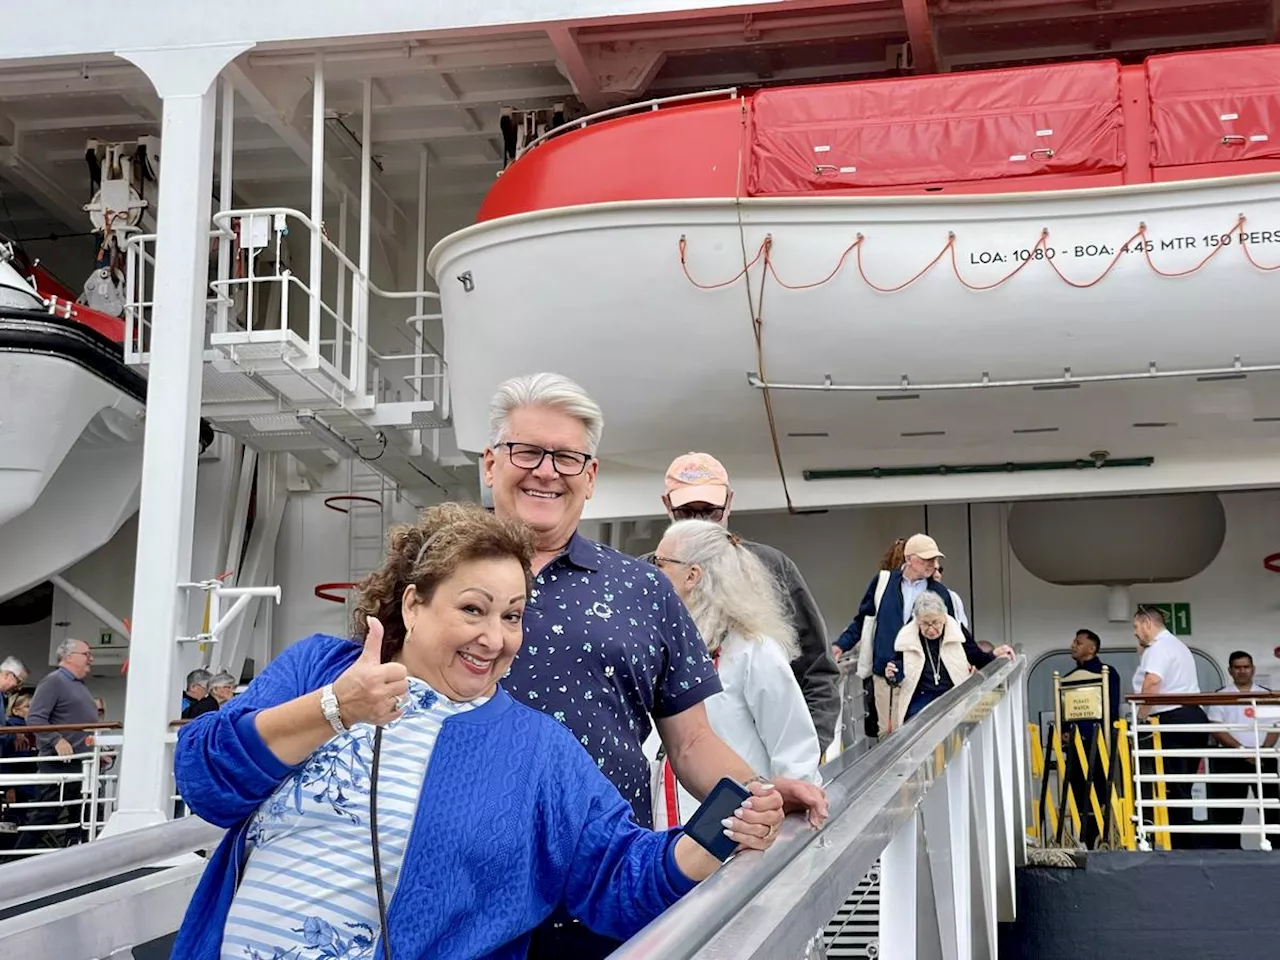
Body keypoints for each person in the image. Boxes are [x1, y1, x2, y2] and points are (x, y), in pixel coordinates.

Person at [172, 503, 782, 960]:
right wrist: (334, 709)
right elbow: (205, 778)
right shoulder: (319, 668)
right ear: (413, 605)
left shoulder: (536, 750)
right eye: (472, 609)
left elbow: (615, 874)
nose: (494, 637)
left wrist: (711, 837)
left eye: (512, 616)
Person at [482, 373, 826, 959]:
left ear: (590, 478)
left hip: (603, 893)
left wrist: (757, 793)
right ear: (491, 463)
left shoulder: (641, 588)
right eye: (526, 451)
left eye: (567, 457)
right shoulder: (428, 574)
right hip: (460, 887)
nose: (546, 471)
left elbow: (691, 741)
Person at [649, 452, 840, 752]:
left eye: (710, 510)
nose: (700, 522)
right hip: (669, 766)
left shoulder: (771, 567)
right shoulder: (643, 578)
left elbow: (817, 667)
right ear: (667, 505)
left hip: (755, 761)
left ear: (729, 502)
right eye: (687, 511)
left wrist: (805, 756)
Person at [653, 519, 822, 822]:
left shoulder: (754, 652)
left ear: (692, 576)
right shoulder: (665, 645)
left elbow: (795, 755)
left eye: (660, 563)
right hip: (667, 837)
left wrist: (785, 843)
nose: (651, 574)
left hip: (737, 838)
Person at [835, 533, 972, 737]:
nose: (934, 565)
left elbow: (955, 632)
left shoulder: (941, 593)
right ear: (909, 559)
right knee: (888, 735)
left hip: (920, 676)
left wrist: (981, 656)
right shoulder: (883, 582)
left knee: (916, 735)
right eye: (928, 559)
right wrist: (839, 646)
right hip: (886, 672)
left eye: (935, 560)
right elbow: (863, 620)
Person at [1131, 605, 1204, 849]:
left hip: (1173, 720)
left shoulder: (1159, 647)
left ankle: (1178, 845)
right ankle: (1184, 842)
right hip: (1192, 717)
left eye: (1136, 626)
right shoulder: (1178, 646)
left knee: (1172, 787)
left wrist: (1140, 718)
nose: (1135, 633)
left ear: (1147, 623)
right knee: (1182, 786)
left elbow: (1152, 683)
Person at [883, 592, 1012, 729]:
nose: (931, 629)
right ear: (917, 621)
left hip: (953, 694)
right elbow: (898, 668)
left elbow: (977, 658)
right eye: (925, 624)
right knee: (915, 727)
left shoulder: (956, 630)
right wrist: (891, 674)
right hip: (921, 698)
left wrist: (995, 654)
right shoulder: (907, 636)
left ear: (944, 618)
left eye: (936, 623)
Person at [16, 638, 99, 849]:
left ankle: (75, 855)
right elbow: (34, 717)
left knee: (82, 813)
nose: (91, 658)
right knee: (47, 813)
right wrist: (56, 740)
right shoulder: (54, 681)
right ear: (69, 657)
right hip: (60, 762)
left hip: (81, 761)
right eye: (86, 654)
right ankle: (12, 861)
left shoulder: (78, 685)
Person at [1205, 651, 1278, 848]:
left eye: (1246, 667)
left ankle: (1276, 849)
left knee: (1272, 809)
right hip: (1230, 759)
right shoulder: (1220, 696)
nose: (1242, 671)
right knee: (1229, 811)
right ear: (1230, 671)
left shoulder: (1267, 695)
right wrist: (1242, 750)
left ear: (1253, 669)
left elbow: (1274, 727)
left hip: (1264, 757)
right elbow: (1217, 729)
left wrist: (1262, 750)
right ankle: (1228, 852)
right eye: (1237, 667)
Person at [1061, 629, 1122, 847]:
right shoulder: (1068, 679)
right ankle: (1084, 840)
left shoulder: (1107, 673)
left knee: (1100, 793)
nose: (1073, 645)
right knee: (1078, 794)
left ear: (1092, 648)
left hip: (1099, 745)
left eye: (1078, 642)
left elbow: (1110, 709)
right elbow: (1066, 710)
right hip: (1076, 747)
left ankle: (1104, 839)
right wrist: (1065, 731)